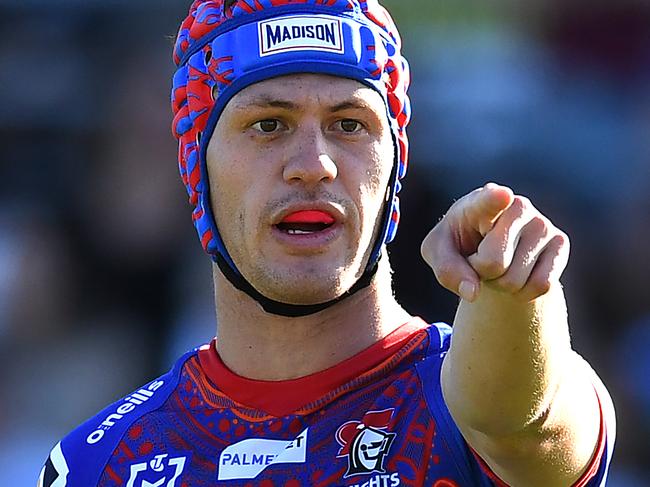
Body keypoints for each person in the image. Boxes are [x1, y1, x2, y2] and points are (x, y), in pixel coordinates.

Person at [39, 0, 615, 486]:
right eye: (269, 124)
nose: (313, 165)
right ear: (198, 165)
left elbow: (521, 417)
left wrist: (512, 291)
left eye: (350, 125)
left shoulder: (460, 403)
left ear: (395, 165)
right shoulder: (98, 464)